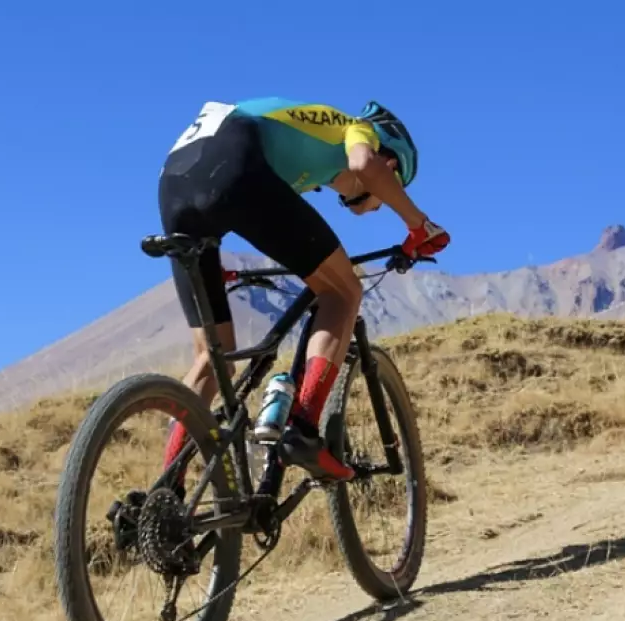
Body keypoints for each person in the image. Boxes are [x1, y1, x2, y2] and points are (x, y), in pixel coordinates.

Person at [156, 97, 450, 487]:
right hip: (232, 163)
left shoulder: (308, 158)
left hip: (174, 183)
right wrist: (419, 225)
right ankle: (303, 428)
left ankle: (166, 493)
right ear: (391, 165)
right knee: (343, 291)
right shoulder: (354, 128)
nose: (379, 205)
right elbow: (365, 164)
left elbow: (232, 197)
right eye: (392, 186)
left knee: (214, 359)